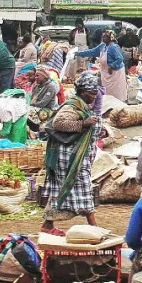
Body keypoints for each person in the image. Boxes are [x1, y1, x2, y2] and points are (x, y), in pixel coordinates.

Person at [41, 71, 105, 235]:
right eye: (92, 93)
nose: (94, 96)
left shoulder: (82, 105)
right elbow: (59, 123)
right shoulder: (72, 106)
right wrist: (83, 123)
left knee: (62, 190)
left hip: (75, 156)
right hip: (69, 158)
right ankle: (93, 225)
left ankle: (47, 225)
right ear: (83, 92)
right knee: (81, 188)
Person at [76, 30, 126, 100]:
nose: (103, 38)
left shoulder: (113, 48)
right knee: (107, 92)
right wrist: (79, 53)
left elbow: (120, 59)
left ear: (110, 38)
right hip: (106, 73)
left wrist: (112, 66)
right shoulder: (102, 46)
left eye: (105, 37)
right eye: (103, 37)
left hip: (115, 73)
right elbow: (93, 51)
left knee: (116, 92)